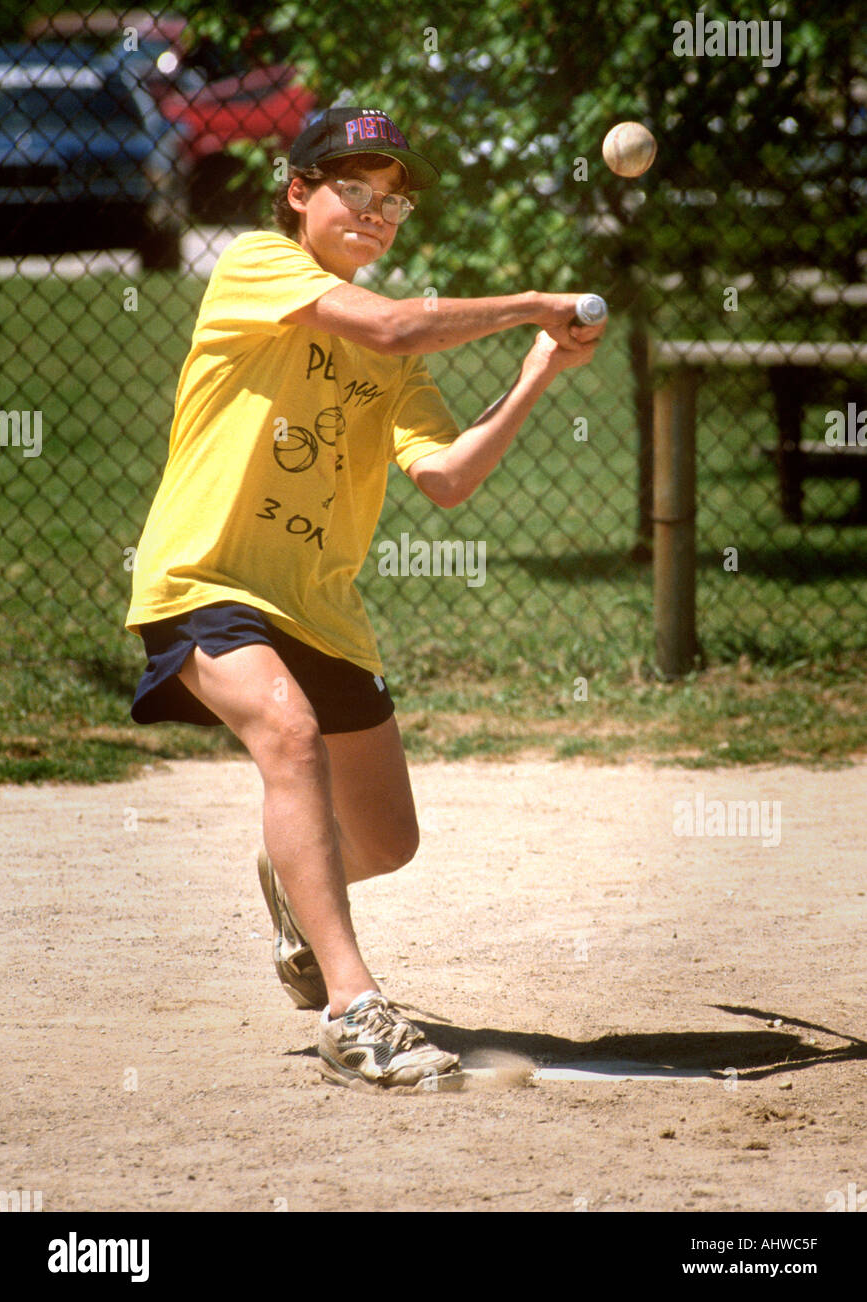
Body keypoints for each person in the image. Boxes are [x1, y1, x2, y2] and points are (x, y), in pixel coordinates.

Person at [126, 105, 606, 1089]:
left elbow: (446, 477)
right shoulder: (257, 267)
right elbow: (389, 321)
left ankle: (291, 882)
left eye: (394, 200)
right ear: (298, 192)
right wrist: (528, 300)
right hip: (205, 575)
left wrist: (534, 370)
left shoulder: (397, 362)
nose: (379, 211)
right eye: (357, 188)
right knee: (286, 731)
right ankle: (354, 1012)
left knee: (386, 838)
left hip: (321, 606)